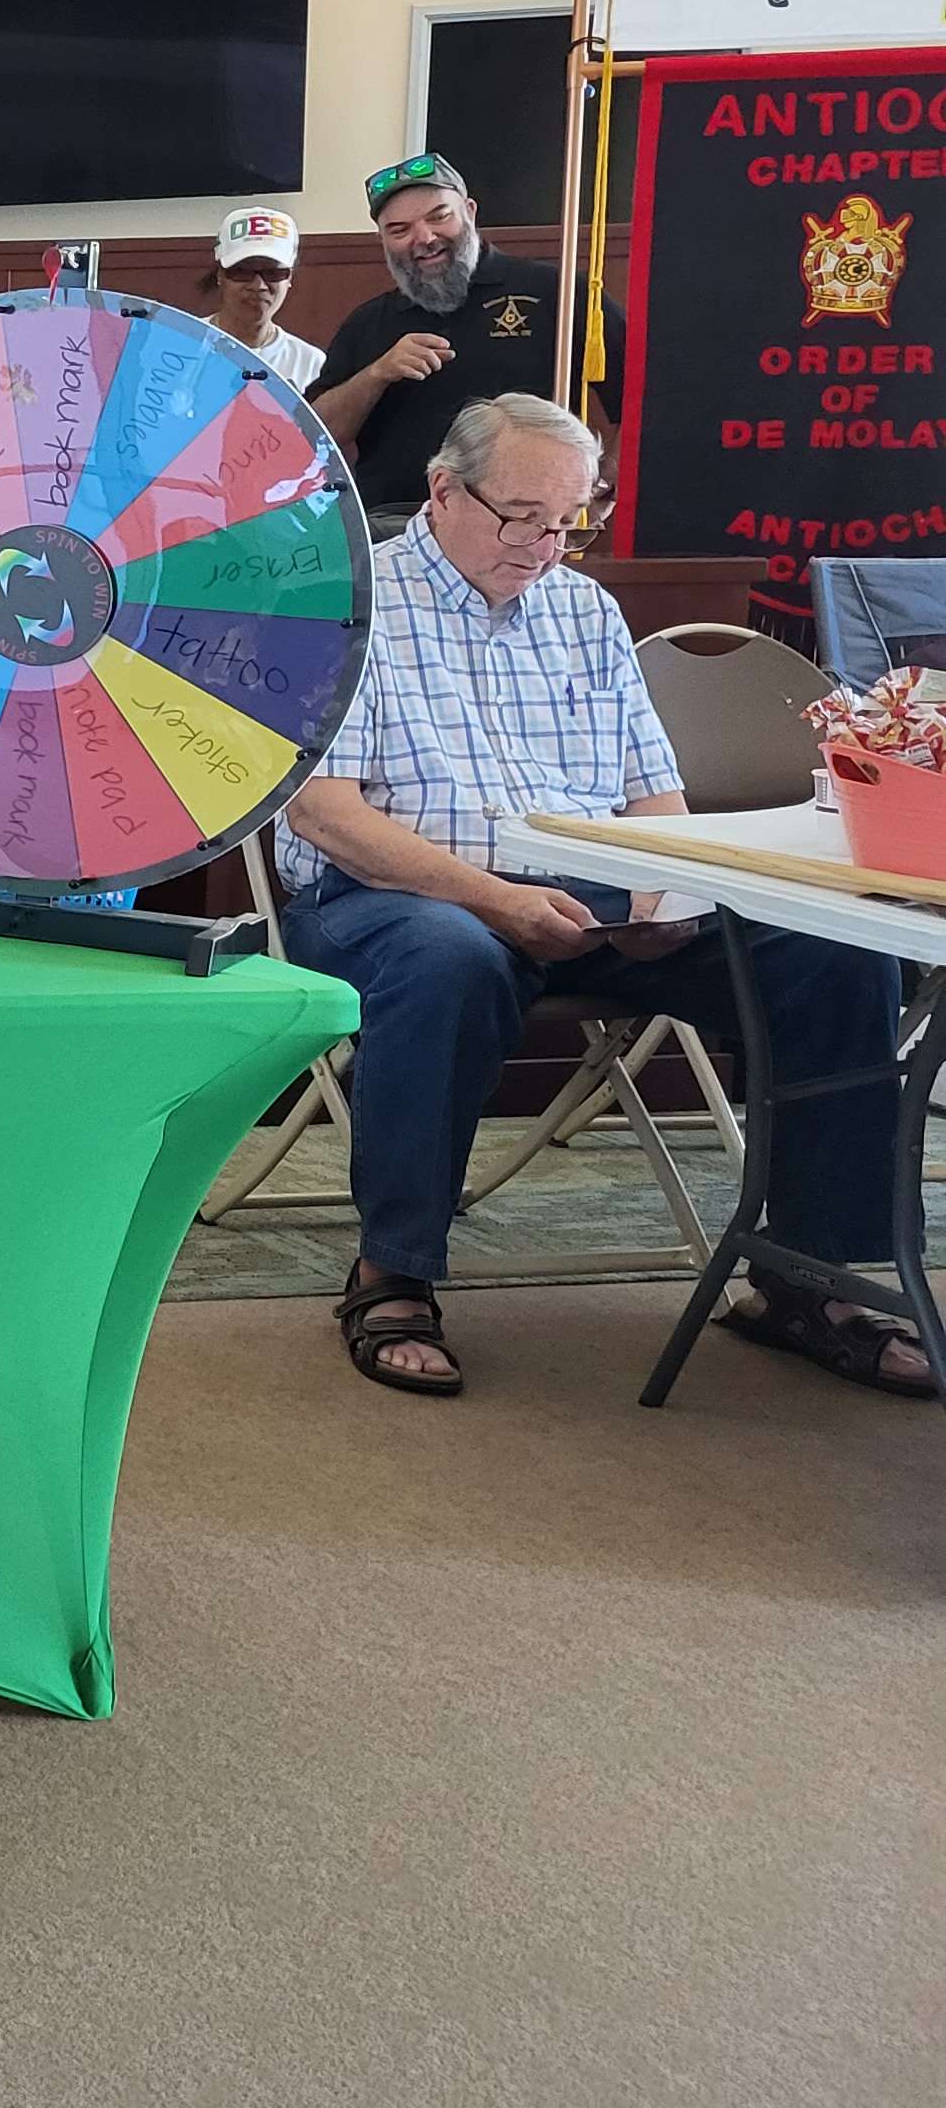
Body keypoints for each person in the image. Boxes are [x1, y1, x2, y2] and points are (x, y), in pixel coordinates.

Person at [278, 394, 920, 1399]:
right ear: (442, 492)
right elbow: (328, 817)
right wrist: (493, 899)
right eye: (520, 516)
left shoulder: (585, 609)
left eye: (567, 521)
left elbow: (651, 796)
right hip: (390, 889)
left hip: (590, 894)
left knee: (833, 949)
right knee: (449, 958)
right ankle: (391, 1268)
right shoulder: (344, 599)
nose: (543, 545)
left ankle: (807, 1279)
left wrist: (669, 896)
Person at [309, 154, 599, 508]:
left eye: (439, 217)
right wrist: (376, 374)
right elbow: (316, 434)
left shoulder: (555, 292)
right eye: (400, 230)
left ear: (470, 212)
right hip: (395, 524)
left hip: (523, 522)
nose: (424, 238)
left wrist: (606, 480)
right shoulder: (368, 322)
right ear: (382, 239)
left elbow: (642, 391)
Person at [199, 205, 323, 391]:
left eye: (273, 273)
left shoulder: (311, 364)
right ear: (220, 276)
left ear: (289, 278)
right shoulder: (181, 346)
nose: (258, 286)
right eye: (242, 272)